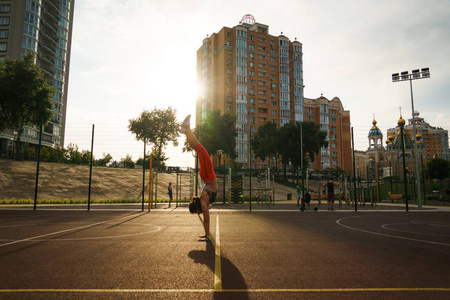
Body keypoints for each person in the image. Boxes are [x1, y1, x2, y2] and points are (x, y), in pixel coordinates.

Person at [180, 115, 218, 242]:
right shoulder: (203, 200)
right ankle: (186, 130)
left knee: (199, 148)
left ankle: (187, 128)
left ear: (197, 207)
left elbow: (206, 219)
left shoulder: (203, 202)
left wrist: (207, 235)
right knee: (197, 148)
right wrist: (206, 235)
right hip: (206, 176)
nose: (198, 213)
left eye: (196, 212)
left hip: (208, 175)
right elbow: (206, 219)